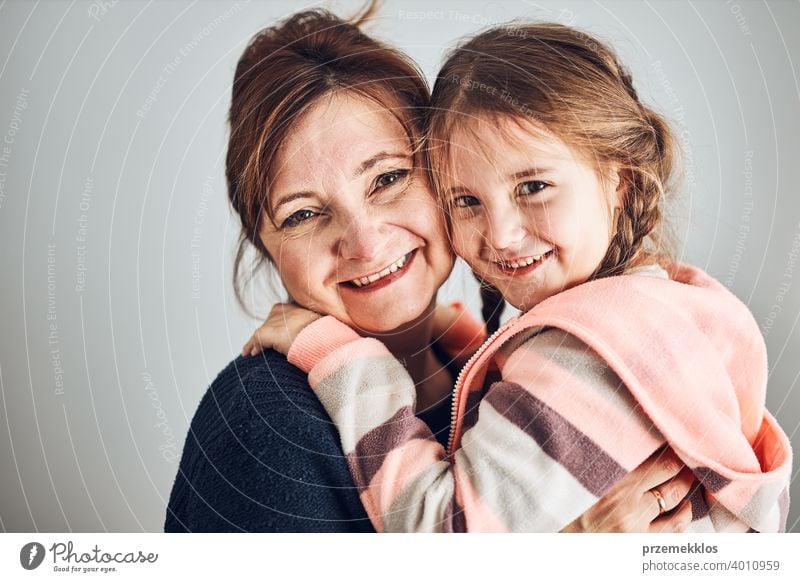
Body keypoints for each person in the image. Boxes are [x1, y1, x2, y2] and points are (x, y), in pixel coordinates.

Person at [166, 8, 693, 533]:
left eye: (388, 178)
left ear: (444, 172)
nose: (365, 244)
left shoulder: (520, 364)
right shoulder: (266, 425)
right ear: (266, 242)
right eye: (303, 213)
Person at [251, 21, 792, 532]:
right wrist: (466, 348)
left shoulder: (585, 356)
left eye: (533, 187)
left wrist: (341, 358)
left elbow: (442, 529)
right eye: (466, 201)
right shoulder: (656, 307)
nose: (502, 235)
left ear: (620, 182)